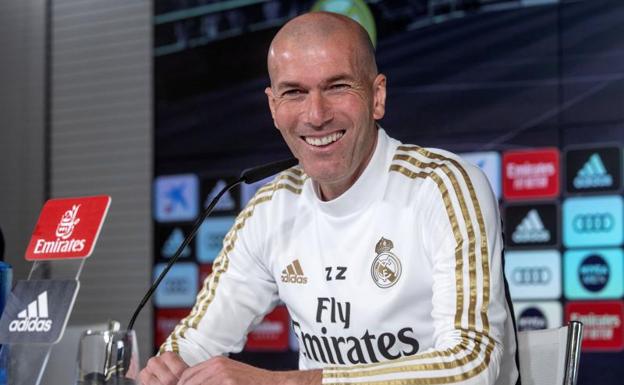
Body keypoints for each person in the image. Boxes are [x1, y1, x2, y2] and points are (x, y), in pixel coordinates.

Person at [140, 11, 519, 385]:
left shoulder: (443, 186)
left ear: (377, 96)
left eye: (337, 86)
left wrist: (284, 384)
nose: (316, 115)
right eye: (294, 92)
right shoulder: (269, 209)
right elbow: (194, 343)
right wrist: (167, 371)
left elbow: (472, 364)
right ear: (273, 108)